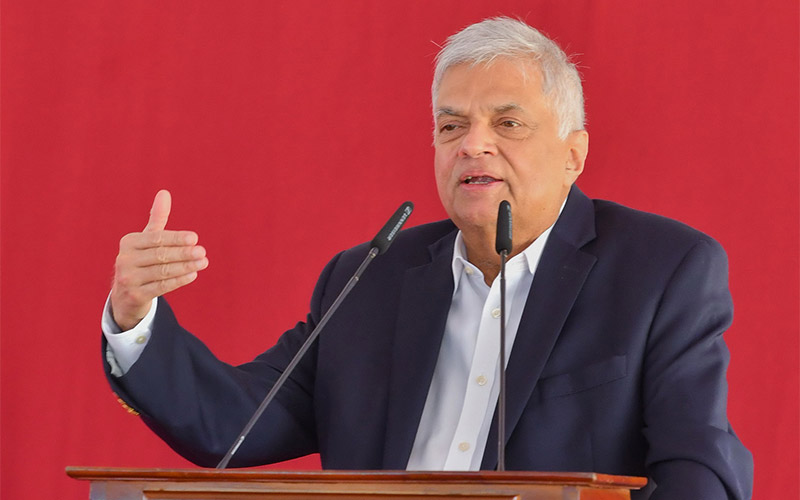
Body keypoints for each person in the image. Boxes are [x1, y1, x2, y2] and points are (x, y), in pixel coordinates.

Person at [102, 17, 753, 499]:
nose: (473, 145)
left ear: (573, 154)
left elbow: (698, 467)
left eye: (507, 123)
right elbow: (234, 424)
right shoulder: (367, 279)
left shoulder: (661, 271)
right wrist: (134, 317)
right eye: (451, 126)